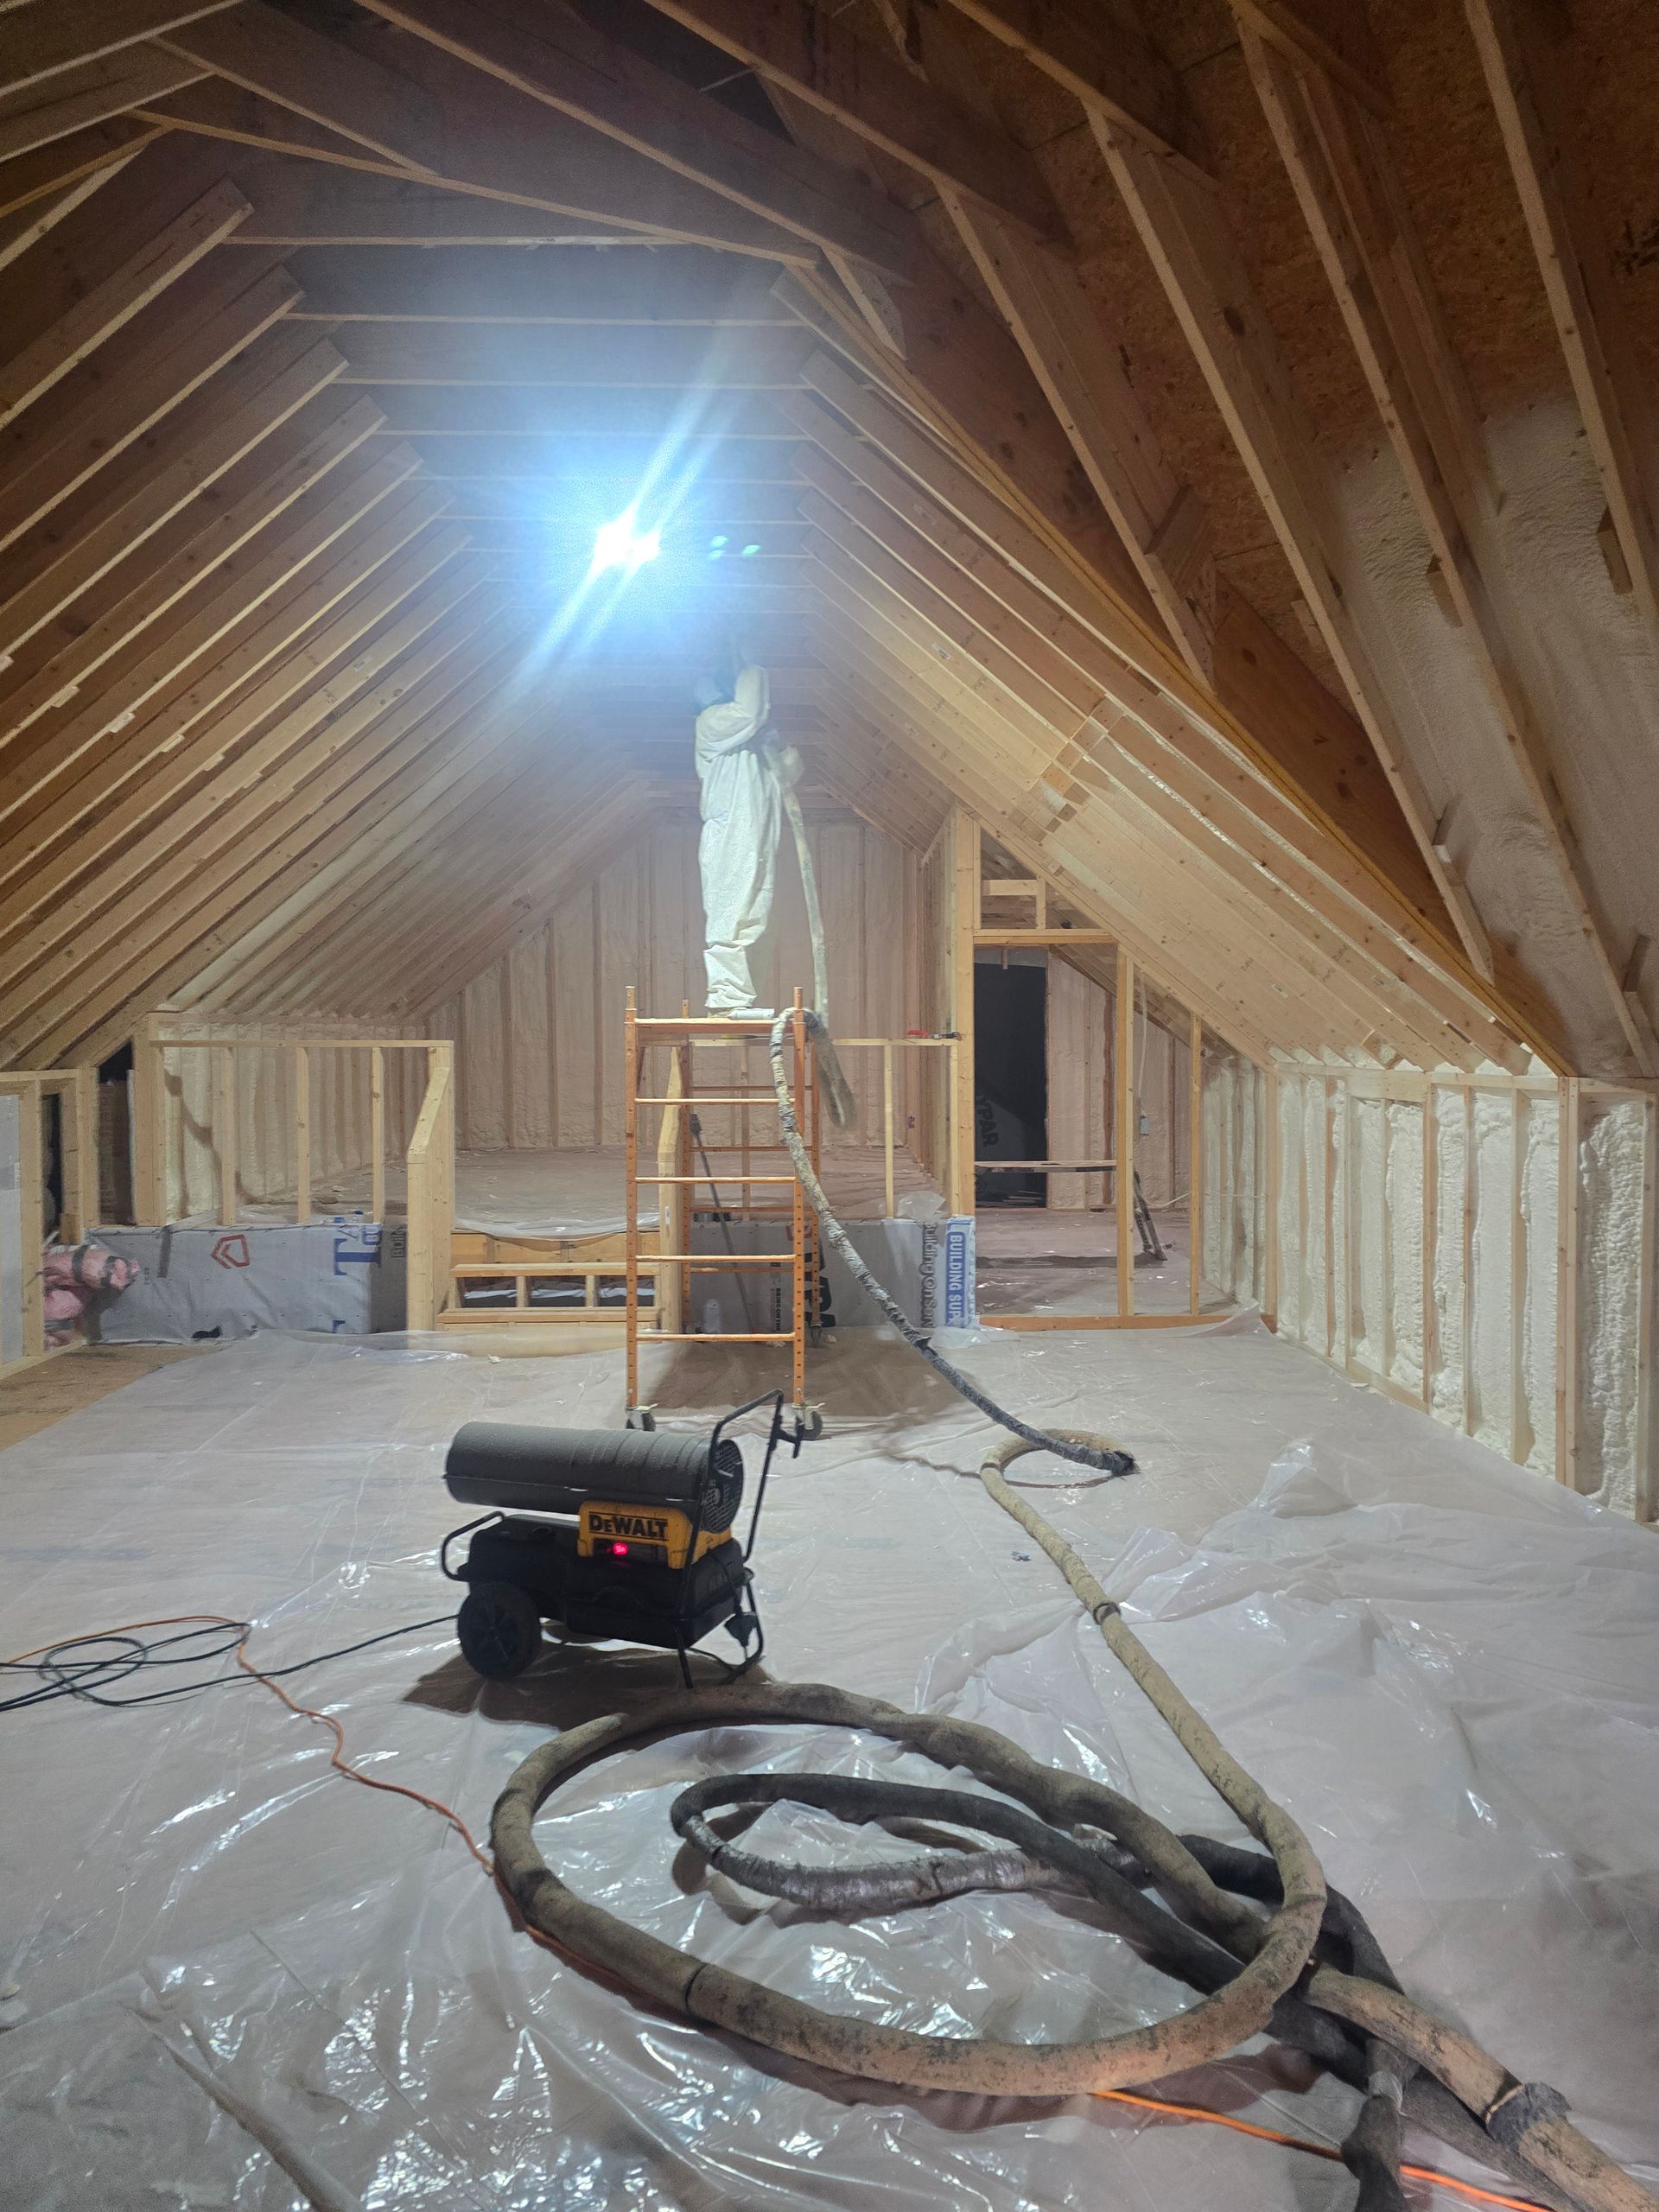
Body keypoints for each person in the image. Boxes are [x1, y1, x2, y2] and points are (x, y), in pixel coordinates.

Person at [693, 657, 781, 1015]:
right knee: (731, 910)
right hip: (731, 831)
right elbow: (747, 712)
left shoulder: (753, 747)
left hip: (755, 833)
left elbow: (789, 773)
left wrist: (778, 749)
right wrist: (753, 663)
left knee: (754, 914)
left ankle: (741, 997)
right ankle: (727, 997)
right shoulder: (711, 722)